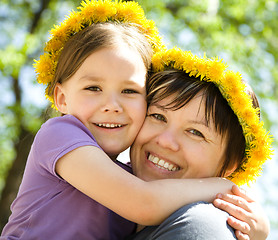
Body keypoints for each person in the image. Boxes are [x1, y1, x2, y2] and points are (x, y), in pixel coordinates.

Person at [0, 1, 239, 239]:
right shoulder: (59, 135)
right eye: (93, 88)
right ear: (62, 98)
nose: (112, 106)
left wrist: (249, 227)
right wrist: (224, 189)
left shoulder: (132, 178)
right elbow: (143, 204)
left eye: (129, 91)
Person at [128, 48, 272, 240]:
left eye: (195, 132)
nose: (165, 141)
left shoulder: (200, 226)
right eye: (157, 116)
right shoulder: (97, 185)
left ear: (231, 164)